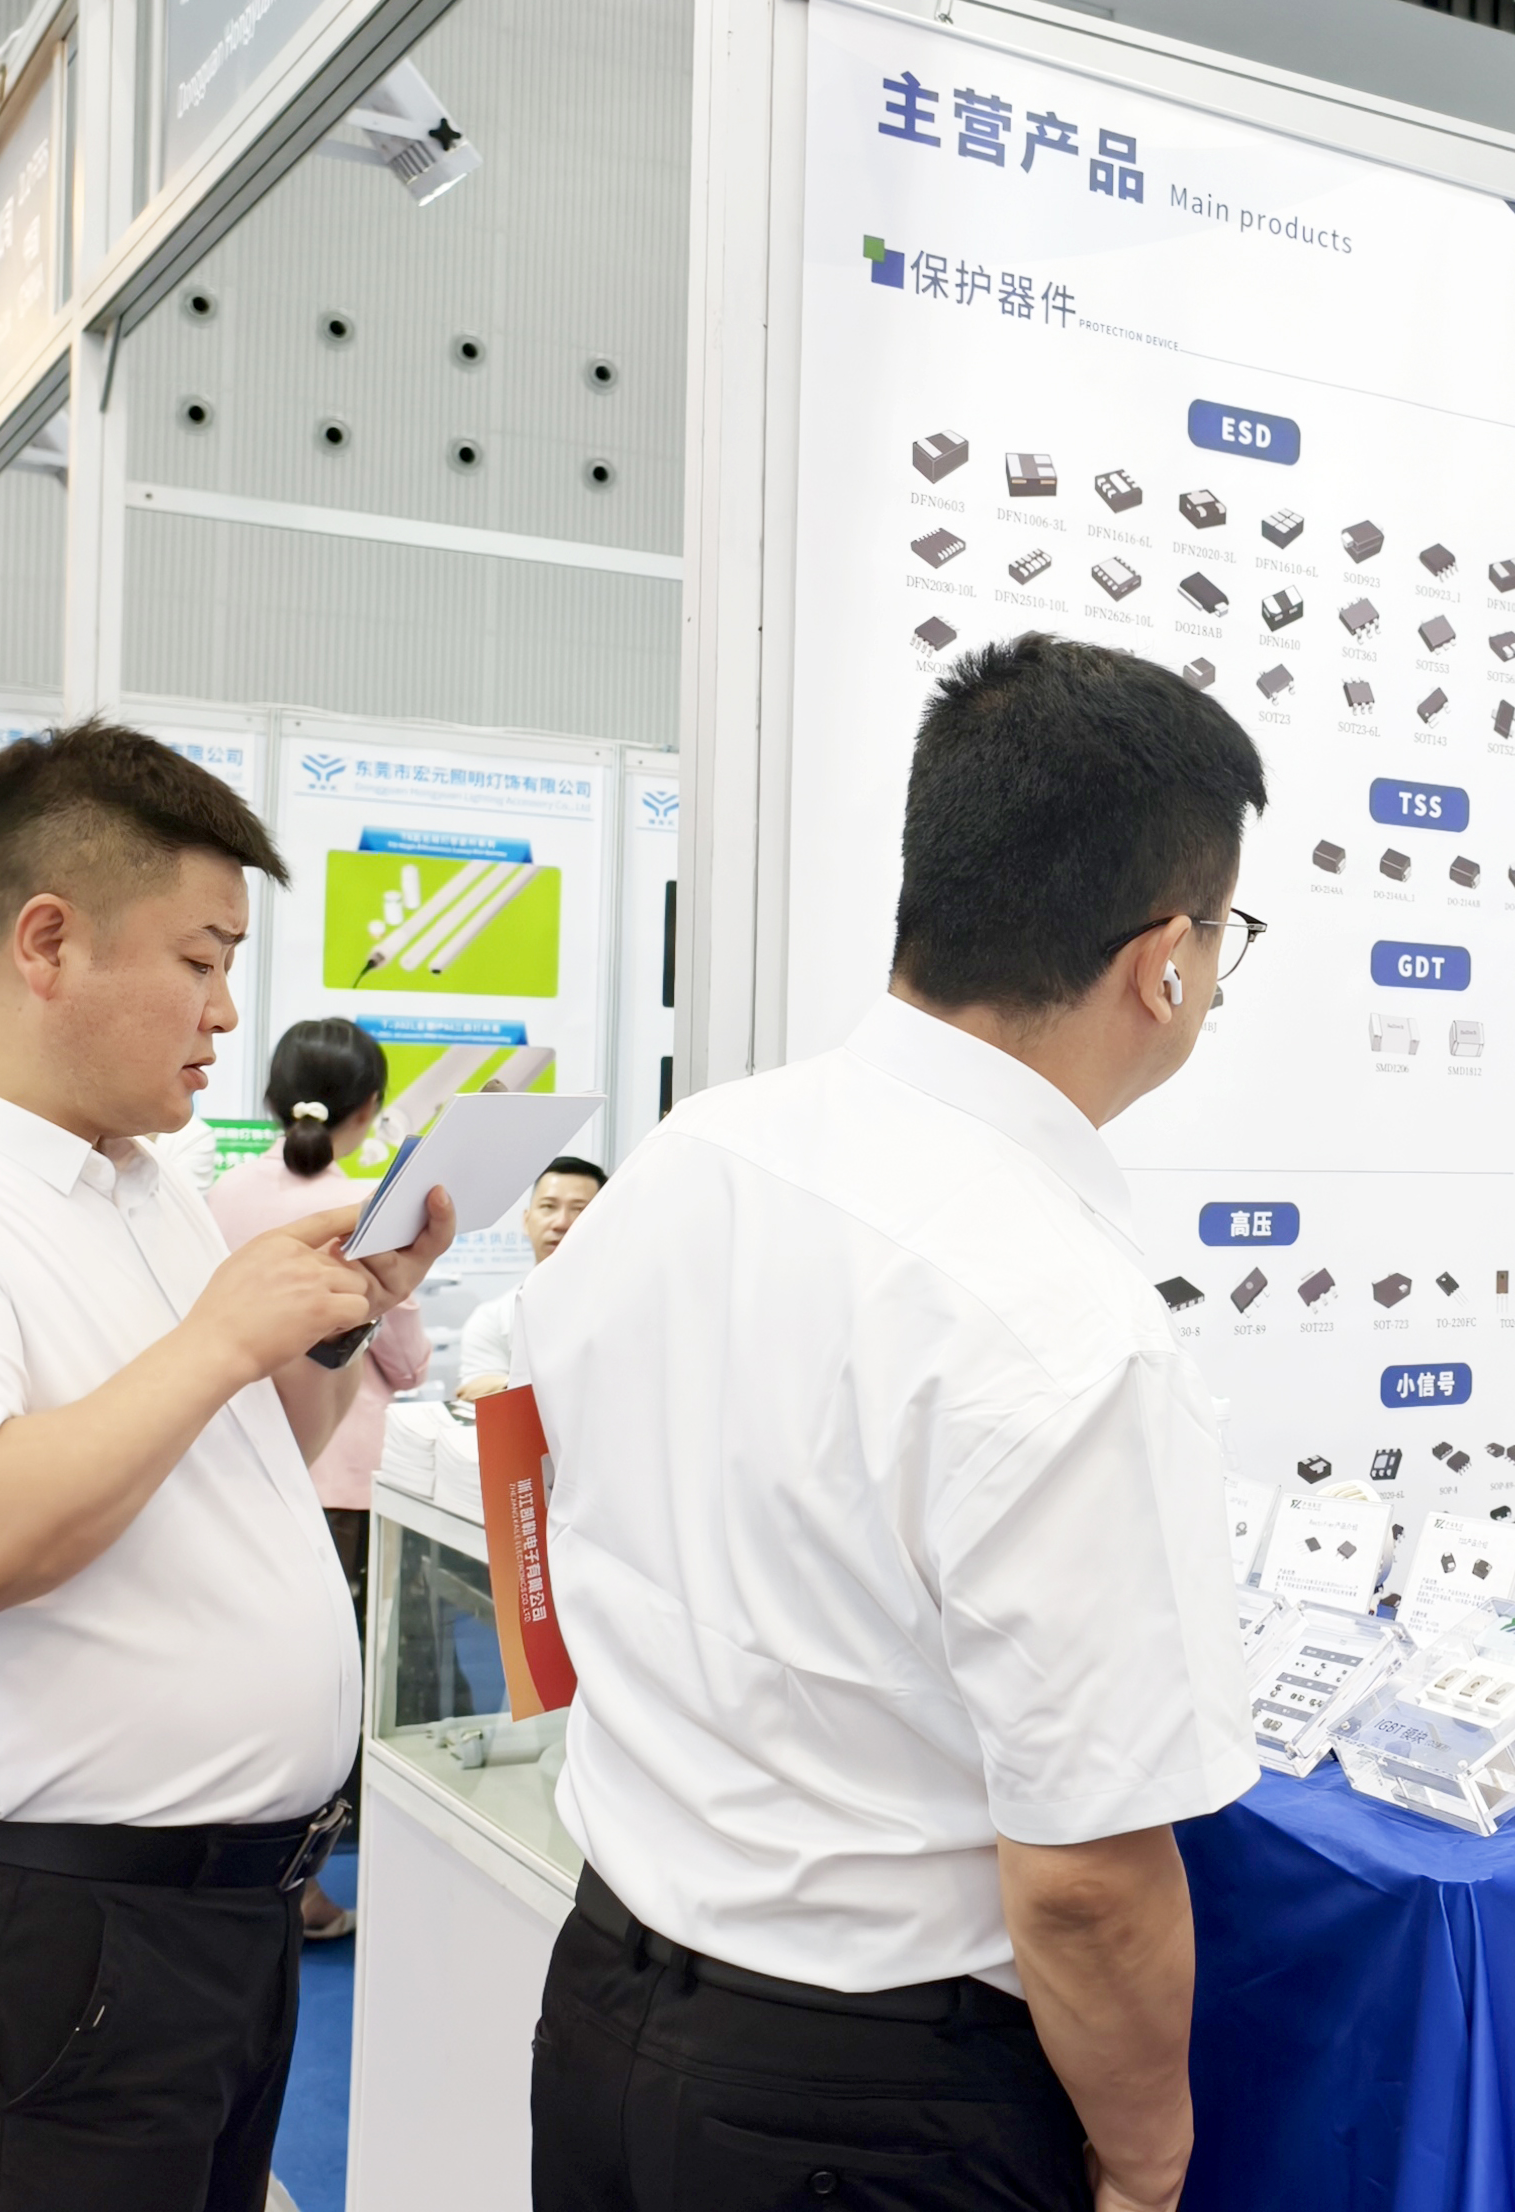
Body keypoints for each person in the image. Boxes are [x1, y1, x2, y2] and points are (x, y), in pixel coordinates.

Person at [523, 635, 1268, 2212]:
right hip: (866, 2109)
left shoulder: (696, 1152)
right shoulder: (1066, 1322)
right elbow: (1084, 1883)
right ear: (1167, 962)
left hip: (603, 2007)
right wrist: (1148, 2167)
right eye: (1225, 935)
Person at [0, 720, 457, 2211]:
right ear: (48, 941)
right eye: (200, 959)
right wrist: (215, 1338)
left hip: (217, 1926)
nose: (224, 1010)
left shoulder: (141, 1187)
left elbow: (244, 1463)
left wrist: (329, 1329)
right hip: (51, 1944)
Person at [206, 1016, 437, 1941]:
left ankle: (259, 1881)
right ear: (370, 1106)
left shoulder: (218, 1196)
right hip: (343, 1471)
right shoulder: (370, 1208)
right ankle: (321, 1883)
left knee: (251, 1677)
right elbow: (406, 1360)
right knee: (345, 1688)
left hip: (230, 1464)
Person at [449, 1154, 607, 1399]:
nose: (561, 1223)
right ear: (526, 1220)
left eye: (579, 1210)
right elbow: (474, 1388)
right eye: (548, 1207)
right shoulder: (494, 1318)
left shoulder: (626, 1308)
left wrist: (514, 1386)